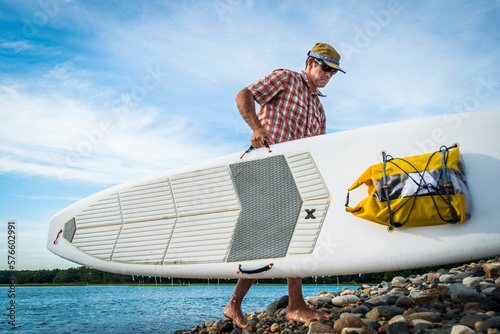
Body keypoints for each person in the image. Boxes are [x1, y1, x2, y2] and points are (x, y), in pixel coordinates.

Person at [224, 42, 345, 329]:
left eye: (333, 72)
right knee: (270, 236)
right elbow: (244, 95)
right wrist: (256, 128)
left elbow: (318, 149)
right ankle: (291, 305)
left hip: (295, 174)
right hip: (265, 164)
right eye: (324, 68)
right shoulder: (286, 78)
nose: (328, 74)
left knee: (293, 234)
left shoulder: (319, 109)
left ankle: (255, 305)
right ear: (310, 63)